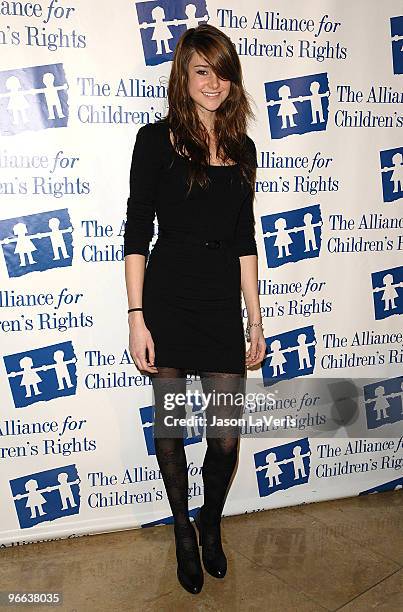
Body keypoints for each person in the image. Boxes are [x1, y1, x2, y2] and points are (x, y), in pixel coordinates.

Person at [124, 23, 266, 595]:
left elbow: (245, 239)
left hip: (217, 300)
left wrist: (254, 318)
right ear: (183, 76)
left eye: (223, 70)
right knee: (173, 424)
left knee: (225, 434)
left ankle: (211, 524)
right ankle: (182, 530)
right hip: (166, 292)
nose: (214, 82)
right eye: (202, 70)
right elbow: (136, 231)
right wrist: (136, 316)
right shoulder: (153, 141)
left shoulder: (242, 148)